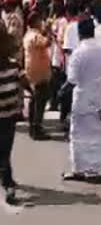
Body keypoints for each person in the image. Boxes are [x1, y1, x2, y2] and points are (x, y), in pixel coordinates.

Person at [64, 18, 101, 181]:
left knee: (78, 134)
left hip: (82, 99)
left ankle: (79, 170)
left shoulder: (78, 52)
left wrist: (62, 93)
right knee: (99, 131)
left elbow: (72, 81)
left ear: (80, 33)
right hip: (99, 96)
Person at [0, 26, 22, 204]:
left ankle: (7, 181)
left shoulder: (14, 65)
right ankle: (8, 183)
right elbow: (24, 82)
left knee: (3, 152)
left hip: (8, 115)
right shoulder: (14, 65)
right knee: (5, 150)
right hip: (10, 115)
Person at [23, 11, 52, 140]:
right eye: (40, 21)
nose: (42, 23)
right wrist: (49, 30)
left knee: (35, 99)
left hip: (32, 71)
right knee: (40, 100)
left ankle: (32, 127)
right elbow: (47, 43)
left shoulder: (29, 34)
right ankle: (36, 128)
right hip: (39, 72)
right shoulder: (35, 35)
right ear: (35, 22)